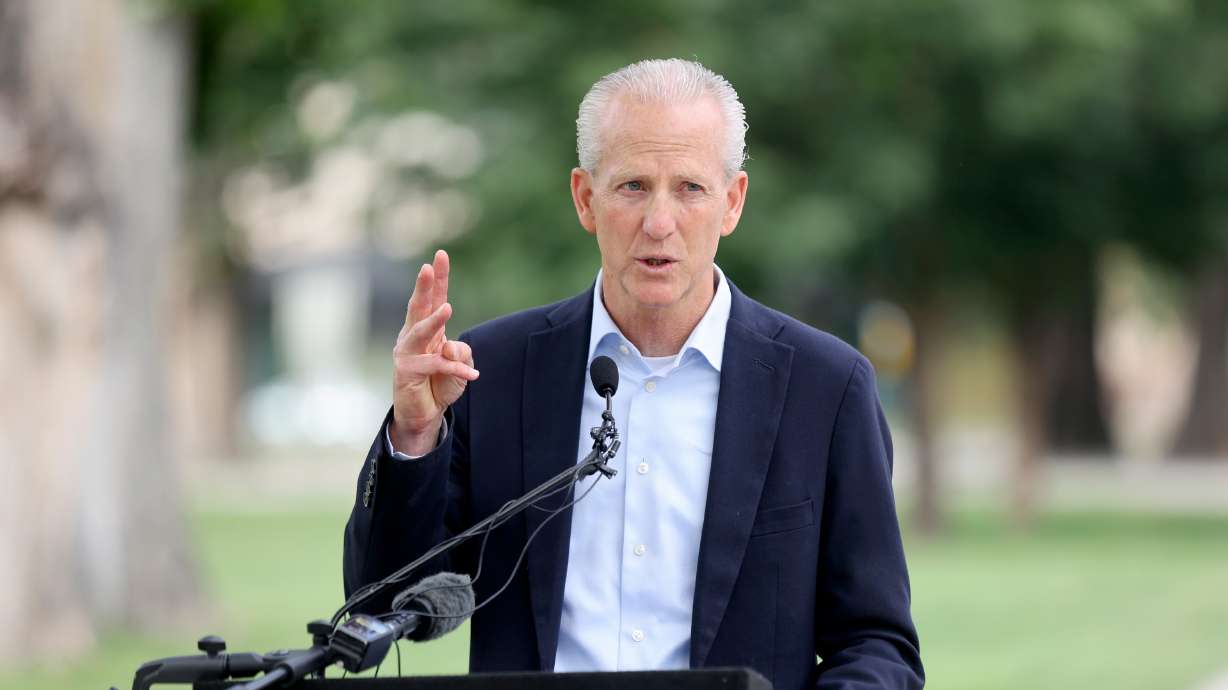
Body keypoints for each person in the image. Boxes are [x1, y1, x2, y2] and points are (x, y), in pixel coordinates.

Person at [344, 58, 924, 690]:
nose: (659, 223)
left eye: (690, 189)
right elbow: (381, 605)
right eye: (633, 187)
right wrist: (415, 433)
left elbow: (877, 645)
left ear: (732, 202)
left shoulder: (828, 387)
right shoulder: (490, 373)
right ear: (584, 198)